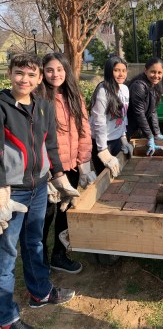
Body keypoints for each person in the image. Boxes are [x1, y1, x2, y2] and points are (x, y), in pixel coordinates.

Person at [0, 53, 76, 329]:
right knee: (6, 254)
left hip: (39, 188)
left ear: (39, 78)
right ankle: (6, 319)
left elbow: (51, 147)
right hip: (11, 193)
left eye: (32, 75)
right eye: (20, 73)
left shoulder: (43, 107)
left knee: (34, 244)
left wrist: (60, 179)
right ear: (10, 73)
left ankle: (40, 293)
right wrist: (0, 193)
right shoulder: (2, 106)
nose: (25, 79)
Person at [42, 52, 95, 274]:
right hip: (48, 172)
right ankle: (40, 259)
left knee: (65, 213)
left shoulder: (74, 96)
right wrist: (49, 173)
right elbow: (38, 139)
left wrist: (84, 164)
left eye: (60, 69)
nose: (55, 74)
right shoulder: (39, 98)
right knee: (45, 217)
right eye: (50, 70)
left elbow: (84, 129)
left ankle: (59, 255)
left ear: (67, 71)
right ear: (43, 73)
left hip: (71, 167)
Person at [90, 55, 132, 176]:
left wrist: (123, 137)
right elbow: (99, 121)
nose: (121, 74)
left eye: (123, 71)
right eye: (116, 70)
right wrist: (102, 150)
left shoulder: (124, 89)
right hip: (102, 142)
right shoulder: (103, 90)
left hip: (117, 139)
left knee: (118, 175)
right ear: (109, 71)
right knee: (104, 178)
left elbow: (123, 116)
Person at [127, 57, 163, 155]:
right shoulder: (139, 86)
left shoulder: (154, 86)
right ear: (145, 71)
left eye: (159, 73)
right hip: (125, 128)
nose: (156, 76)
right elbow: (139, 113)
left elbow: (153, 111)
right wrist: (150, 137)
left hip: (135, 128)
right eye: (153, 72)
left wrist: (157, 133)